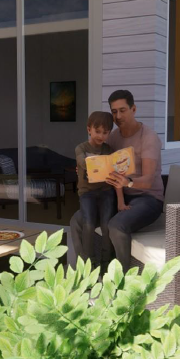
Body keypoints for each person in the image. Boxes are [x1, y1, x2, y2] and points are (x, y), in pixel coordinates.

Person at [103, 89, 165, 269]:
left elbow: (147, 180)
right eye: (114, 112)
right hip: (120, 195)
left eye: (122, 110)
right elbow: (106, 166)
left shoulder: (149, 137)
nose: (118, 116)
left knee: (116, 225)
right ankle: (89, 271)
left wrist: (128, 181)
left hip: (149, 198)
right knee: (80, 218)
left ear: (134, 109)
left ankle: (122, 279)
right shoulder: (114, 137)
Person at [70, 111, 126, 266]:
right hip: (87, 193)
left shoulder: (109, 150)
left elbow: (115, 173)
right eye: (97, 131)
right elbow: (82, 162)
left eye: (105, 132)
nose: (101, 136)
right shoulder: (80, 148)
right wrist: (100, 164)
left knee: (106, 224)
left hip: (106, 192)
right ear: (89, 129)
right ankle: (89, 264)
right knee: (88, 224)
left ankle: (106, 263)